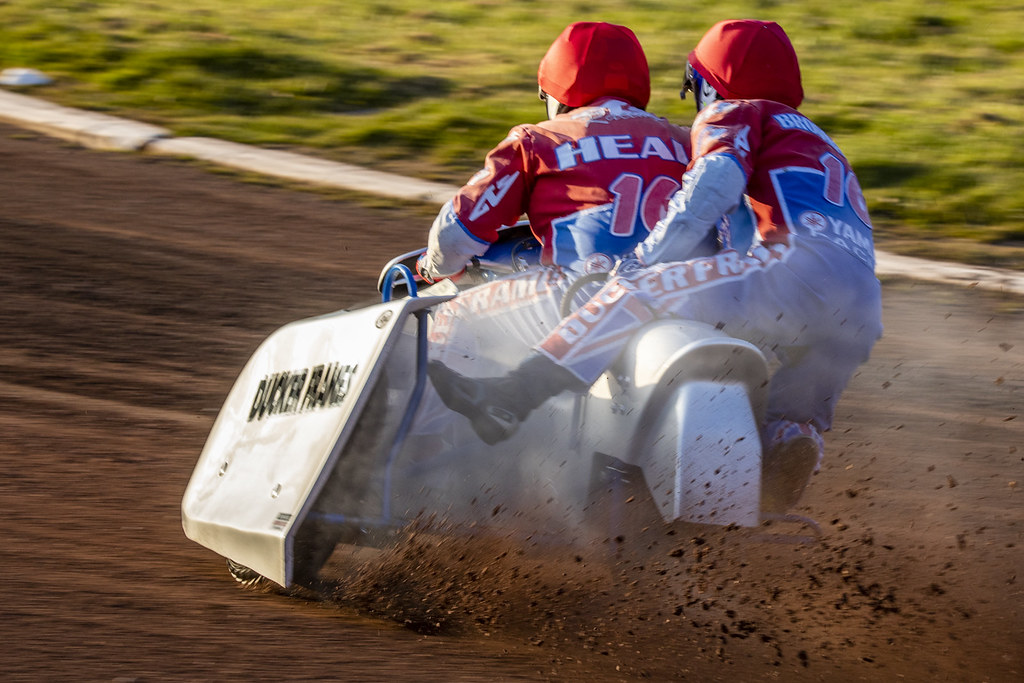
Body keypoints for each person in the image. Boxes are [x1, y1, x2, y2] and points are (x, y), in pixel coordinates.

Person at [428, 19, 884, 512]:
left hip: (790, 271)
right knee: (793, 414)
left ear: (711, 83)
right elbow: (738, 234)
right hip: (860, 301)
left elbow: (713, 187)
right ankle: (783, 445)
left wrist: (648, 263)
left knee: (638, 289)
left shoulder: (731, 113)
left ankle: (511, 398)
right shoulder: (818, 138)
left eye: (695, 86)